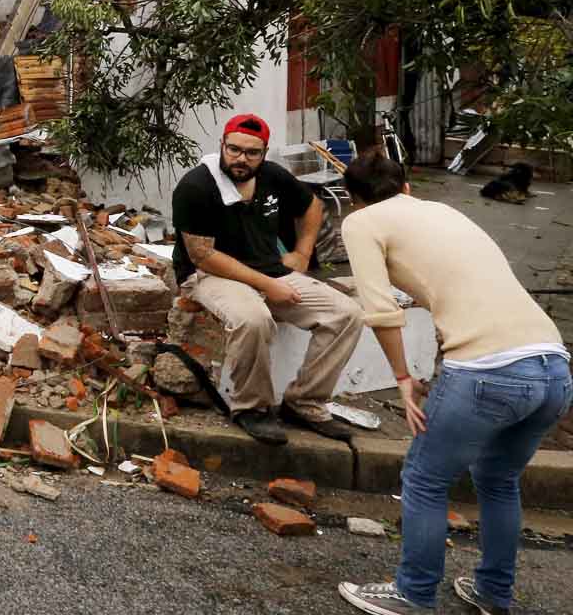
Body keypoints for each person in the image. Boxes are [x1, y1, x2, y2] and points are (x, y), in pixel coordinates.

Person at [336, 154, 572, 615]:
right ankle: (492, 593)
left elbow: (382, 311)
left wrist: (403, 378)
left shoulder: (361, 222)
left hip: (488, 369)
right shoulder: (444, 211)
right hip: (553, 363)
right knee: (499, 479)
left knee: (424, 478)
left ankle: (414, 594)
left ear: (353, 200)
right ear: (406, 188)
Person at [170, 113, 363, 444]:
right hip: (210, 274)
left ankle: (304, 401)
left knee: (347, 314)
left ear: (264, 152)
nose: (241, 159)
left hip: (270, 269)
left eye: (251, 152)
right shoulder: (196, 186)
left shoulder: (273, 176)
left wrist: (302, 254)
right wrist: (268, 286)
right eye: (234, 149)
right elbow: (203, 255)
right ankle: (251, 408)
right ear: (222, 146)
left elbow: (313, 205)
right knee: (254, 319)